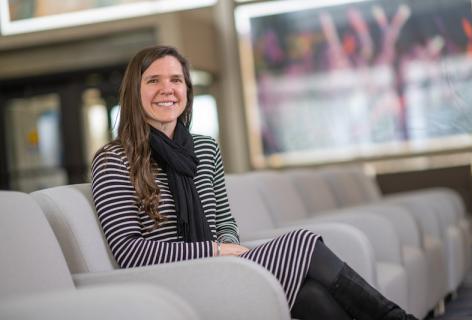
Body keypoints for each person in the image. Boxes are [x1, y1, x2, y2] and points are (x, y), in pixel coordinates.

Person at [91, 45, 417, 320]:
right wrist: (217, 251)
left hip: (222, 264)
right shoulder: (114, 159)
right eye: (153, 81)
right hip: (173, 279)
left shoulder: (205, 148)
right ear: (135, 91)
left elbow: (224, 219)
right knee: (303, 242)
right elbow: (129, 253)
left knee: (311, 296)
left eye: (176, 80)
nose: (167, 89)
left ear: (187, 91)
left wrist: (232, 250)